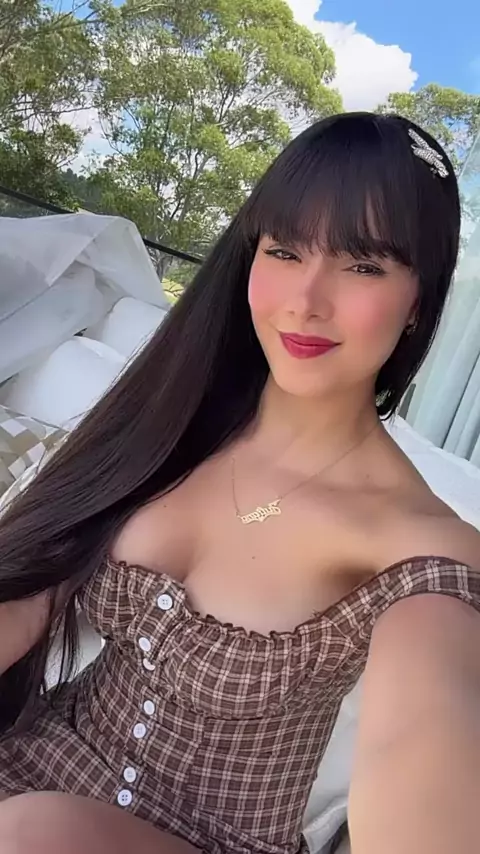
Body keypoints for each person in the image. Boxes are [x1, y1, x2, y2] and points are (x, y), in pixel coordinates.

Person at [0, 112, 479, 854]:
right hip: (30, 767)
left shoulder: (424, 549)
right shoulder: (171, 422)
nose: (305, 300)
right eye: (284, 250)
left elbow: (426, 733)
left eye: (362, 265)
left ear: (419, 298)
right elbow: (32, 590)